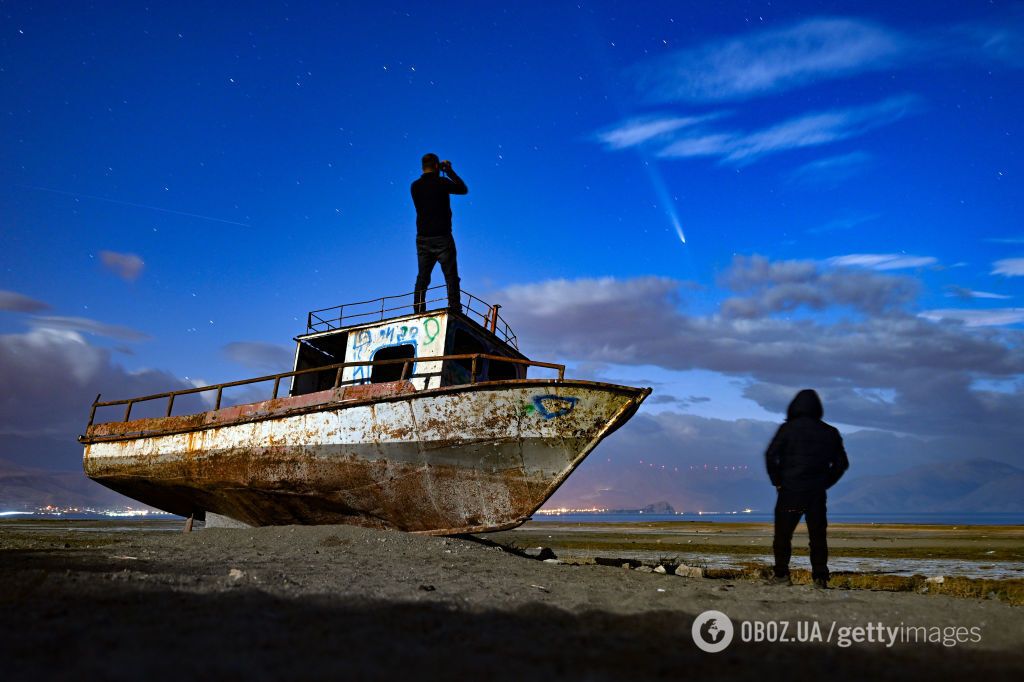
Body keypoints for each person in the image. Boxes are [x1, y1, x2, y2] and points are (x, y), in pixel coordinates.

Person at [765, 389, 849, 588]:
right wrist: (825, 482)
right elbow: (841, 464)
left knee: (783, 536)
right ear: (817, 408)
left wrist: (777, 481)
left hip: (789, 492)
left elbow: (770, 456)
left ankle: (781, 576)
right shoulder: (830, 432)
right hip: (816, 493)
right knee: (817, 537)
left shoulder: (787, 429)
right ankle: (820, 578)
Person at [411, 153, 468, 312]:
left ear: (423, 167)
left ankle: (418, 309)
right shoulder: (442, 182)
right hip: (442, 237)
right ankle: (455, 307)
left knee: (422, 277)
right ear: (437, 166)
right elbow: (463, 189)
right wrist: (449, 171)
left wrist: (440, 171)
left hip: (423, 238)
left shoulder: (415, 186)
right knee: (451, 276)